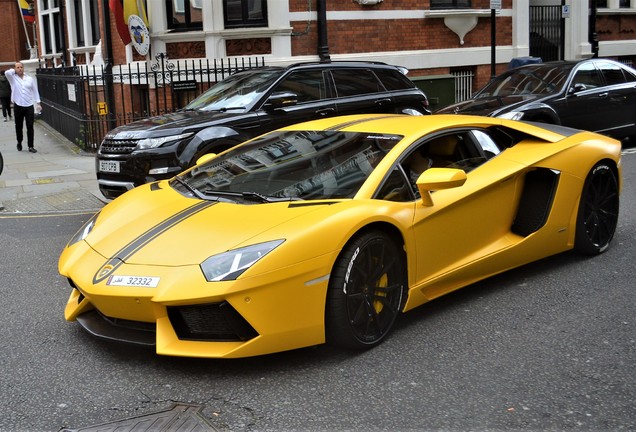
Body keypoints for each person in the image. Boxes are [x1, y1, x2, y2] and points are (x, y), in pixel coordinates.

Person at [5, 62, 41, 153]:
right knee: (19, 126)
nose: (20, 69)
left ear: (23, 68)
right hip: (18, 105)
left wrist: (38, 103)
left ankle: (30, 146)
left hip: (29, 105)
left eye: (21, 67)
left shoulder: (29, 79)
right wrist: (14, 70)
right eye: (18, 67)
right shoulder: (12, 78)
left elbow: (35, 91)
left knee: (30, 126)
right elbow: (7, 73)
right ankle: (19, 141)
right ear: (15, 68)